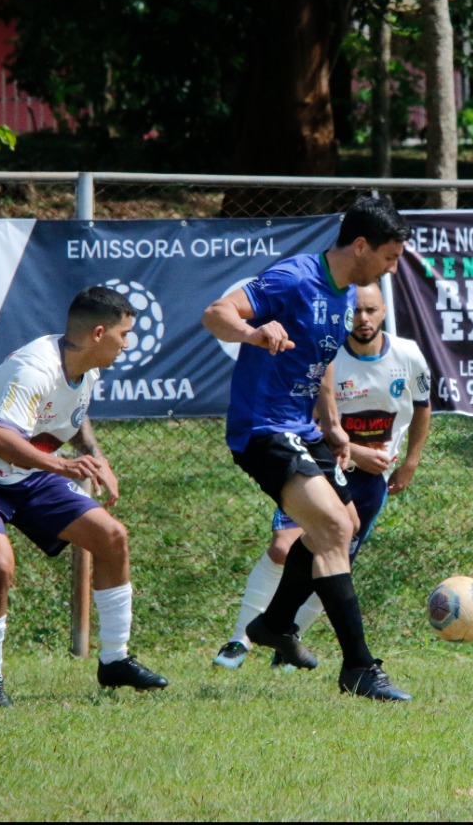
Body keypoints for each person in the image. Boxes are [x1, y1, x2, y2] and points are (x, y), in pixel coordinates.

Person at [201, 195, 414, 701]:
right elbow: (216, 313)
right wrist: (254, 331)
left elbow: (320, 359)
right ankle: (359, 667)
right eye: (389, 258)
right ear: (360, 246)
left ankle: (275, 622)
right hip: (263, 429)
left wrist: (333, 424)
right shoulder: (295, 278)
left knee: (346, 524)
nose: (392, 269)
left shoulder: (344, 292)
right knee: (334, 527)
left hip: (304, 428)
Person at [0, 286, 169, 706]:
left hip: (28, 474)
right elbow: (1, 438)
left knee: (112, 537)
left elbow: (72, 415)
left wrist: (96, 456)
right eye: (123, 334)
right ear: (98, 333)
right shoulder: (34, 368)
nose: (127, 343)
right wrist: (63, 465)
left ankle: (114, 661)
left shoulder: (87, 366)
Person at [212, 282, 432, 670]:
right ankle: (240, 639)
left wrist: (410, 461)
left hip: (368, 479)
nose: (363, 319)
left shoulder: (407, 354)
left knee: (336, 552)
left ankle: (286, 639)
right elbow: (305, 420)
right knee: (284, 545)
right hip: (317, 460)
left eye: (372, 311)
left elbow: (422, 405)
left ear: (385, 311)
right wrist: (354, 451)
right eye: (357, 311)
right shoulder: (327, 352)